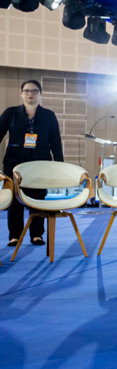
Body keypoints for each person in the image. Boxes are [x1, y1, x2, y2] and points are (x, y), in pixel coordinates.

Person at [1, 80, 62, 247]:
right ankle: (15, 236)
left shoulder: (49, 115)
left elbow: (56, 143)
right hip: (13, 164)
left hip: (40, 165)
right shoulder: (10, 113)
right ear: (21, 93)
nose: (30, 94)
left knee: (38, 199)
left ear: (40, 94)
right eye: (27, 91)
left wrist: (59, 167)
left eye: (34, 91)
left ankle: (36, 235)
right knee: (14, 201)